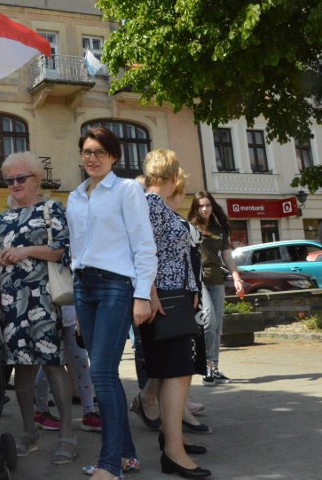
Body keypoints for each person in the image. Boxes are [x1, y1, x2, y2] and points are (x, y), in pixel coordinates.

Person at [66, 127, 157, 480]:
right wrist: (75, 307)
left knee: (101, 373)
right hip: (83, 287)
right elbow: (77, 251)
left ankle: (109, 465)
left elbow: (144, 246)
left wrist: (141, 295)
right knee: (106, 375)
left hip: (116, 287)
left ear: (114, 157)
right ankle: (127, 456)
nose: (92, 158)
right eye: (87, 151)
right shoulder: (75, 196)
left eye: (100, 152)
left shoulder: (127, 190)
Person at [0, 151, 76, 462]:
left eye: (20, 178)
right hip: (12, 300)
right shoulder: (2, 218)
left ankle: (67, 433)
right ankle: (28, 431)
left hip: (44, 298)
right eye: (9, 180)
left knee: (53, 363)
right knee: (21, 366)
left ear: (37, 179)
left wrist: (26, 251)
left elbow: (63, 250)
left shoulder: (52, 209)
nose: (14, 184)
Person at [140, 149, 211, 479]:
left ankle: (173, 438)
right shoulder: (151, 205)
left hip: (175, 297)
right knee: (175, 370)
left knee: (180, 371)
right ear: (170, 176)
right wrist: (151, 293)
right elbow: (143, 251)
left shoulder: (159, 207)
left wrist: (191, 289)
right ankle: (173, 451)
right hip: (164, 300)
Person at [189, 189, 244, 386]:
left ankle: (214, 367)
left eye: (207, 205)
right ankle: (205, 367)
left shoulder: (220, 229)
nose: (204, 209)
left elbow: (227, 256)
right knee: (208, 322)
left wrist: (236, 278)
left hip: (217, 281)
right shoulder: (191, 228)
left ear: (212, 206)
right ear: (196, 208)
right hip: (199, 281)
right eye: (201, 206)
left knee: (218, 326)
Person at [35, 304, 101, 434]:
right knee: (51, 363)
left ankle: (89, 412)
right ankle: (41, 411)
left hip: (70, 312)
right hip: (48, 310)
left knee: (81, 361)